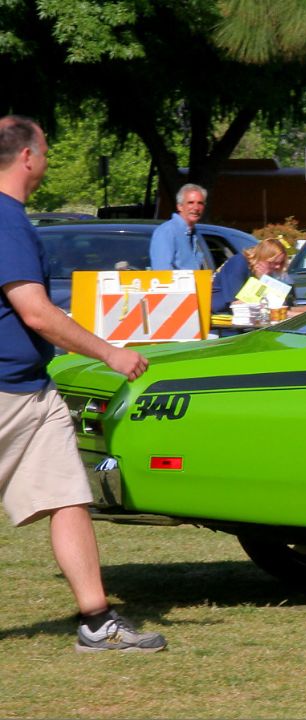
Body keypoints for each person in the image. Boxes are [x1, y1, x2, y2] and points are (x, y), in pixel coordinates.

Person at [0, 116, 166, 652]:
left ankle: (97, 622)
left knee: (69, 496)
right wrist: (110, 353)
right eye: (45, 148)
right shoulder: (5, 221)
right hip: (4, 391)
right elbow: (36, 314)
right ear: (28, 157)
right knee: (67, 496)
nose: (46, 156)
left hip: (31, 388)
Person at [210, 237, 290, 313]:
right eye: (274, 263)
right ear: (263, 257)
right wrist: (261, 281)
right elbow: (237, 305)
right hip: (217, 314)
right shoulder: (239, 263)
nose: (278, 266)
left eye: (281, 263)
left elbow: (276, 303)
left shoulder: (265, 272)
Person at [150, 183, 209, 270]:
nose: (196, 208)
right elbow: (162, 273)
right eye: (190, 203)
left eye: (200, 203)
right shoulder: (167, 232)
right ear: (180, 206)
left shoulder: (195, 234)